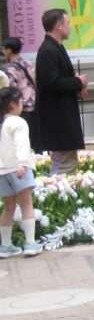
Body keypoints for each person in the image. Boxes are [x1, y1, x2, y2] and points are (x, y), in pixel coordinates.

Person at [35, 9, 87, 175]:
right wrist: (78, 82)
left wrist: (77, 84)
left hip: (64, 115)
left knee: (69, 161)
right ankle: (58, 194)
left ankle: (65, 195)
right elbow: (52, 82)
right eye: (67, 23)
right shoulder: (47, 51)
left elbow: (62, 78)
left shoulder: (56, 47)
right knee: (64, 163)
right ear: (58, 26)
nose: (70, 26)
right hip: (58, 118)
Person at [0, 88, 43, 258]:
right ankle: (30, 243)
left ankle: (5, 245)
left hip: (2, 171)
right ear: (12, 104)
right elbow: (22, 144)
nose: (22, 104)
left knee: (8, 207)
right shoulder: (18, 122)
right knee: (26, 205)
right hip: (18, 168)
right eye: (20, 100)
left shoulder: (2, 123)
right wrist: (23, 164)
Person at [2, 38, 40, 153]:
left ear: (9, 50)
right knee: (35, 139)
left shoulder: (9, 69)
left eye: (4, 49)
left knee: (23, 141)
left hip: (21, 107)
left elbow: (11, 89)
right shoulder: (28, 63)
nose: (3, 51)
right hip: (34, 105)